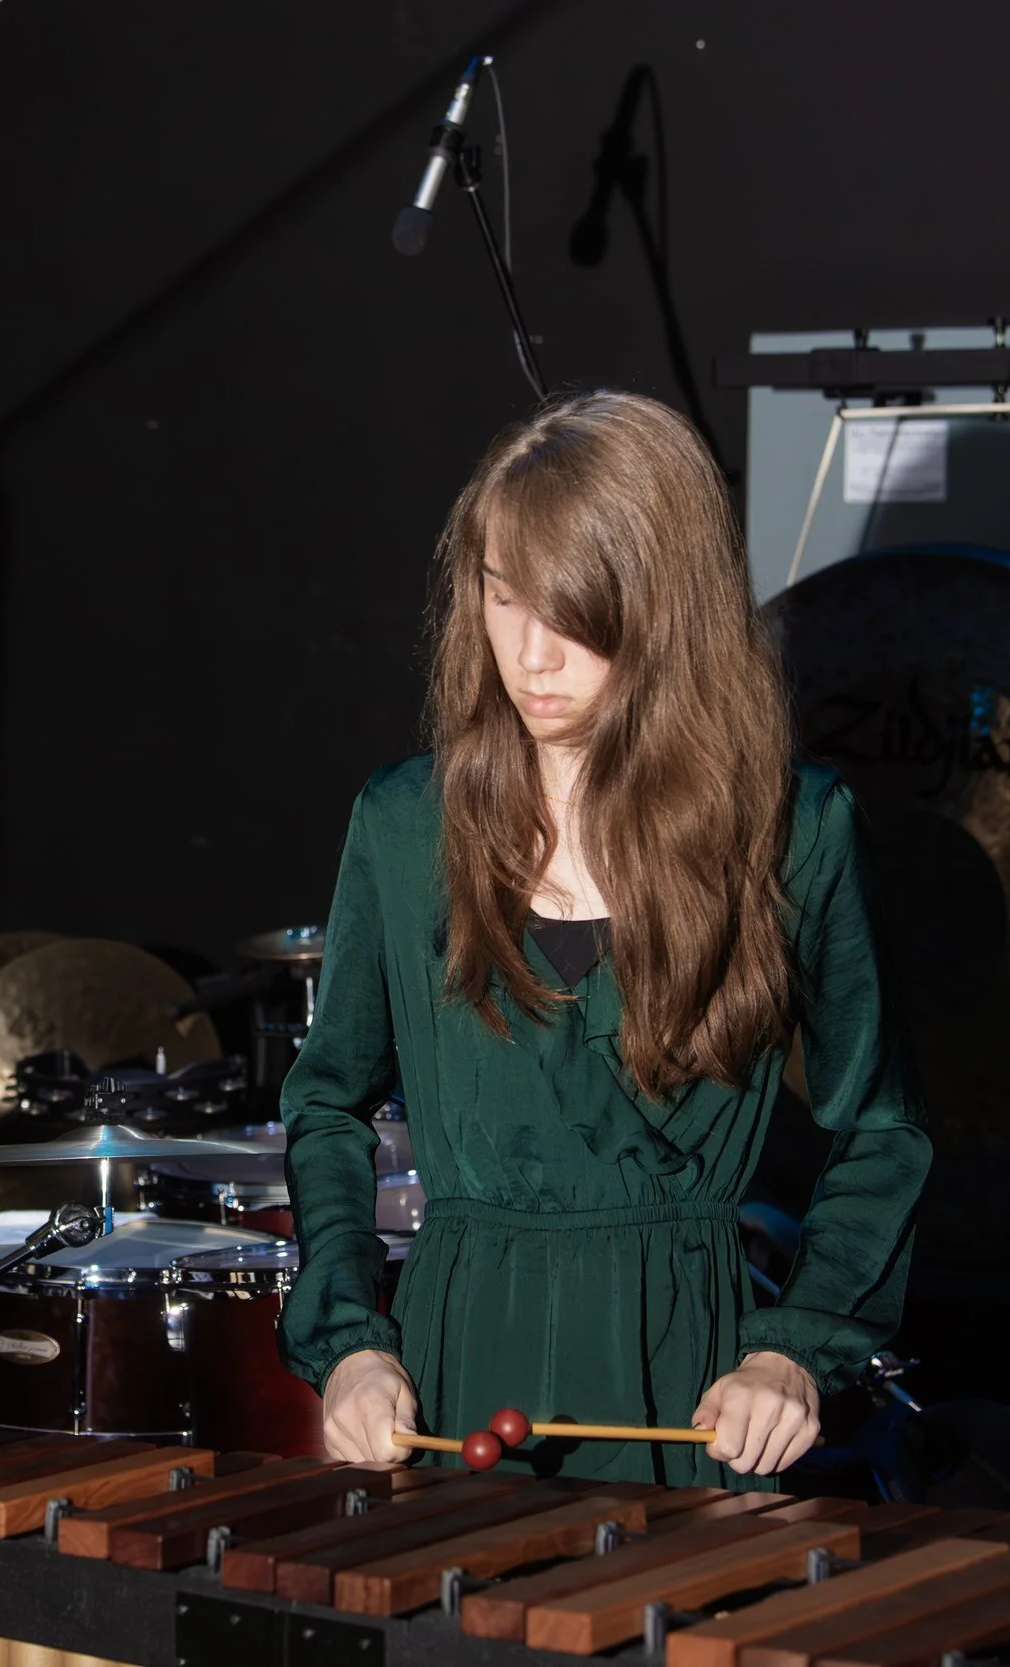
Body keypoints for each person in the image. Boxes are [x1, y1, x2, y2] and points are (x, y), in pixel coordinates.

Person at [279, 391, 930, 1486]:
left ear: (662, 607)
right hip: (455, 1363)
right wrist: (348, 1341)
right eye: (501, 596)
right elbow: (325, 1099)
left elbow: (884, 1130)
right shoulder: (403, 827)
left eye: (571, 609)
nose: (529, 654)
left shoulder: (793, 832)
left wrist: (797, 1347)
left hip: (688, 1374)